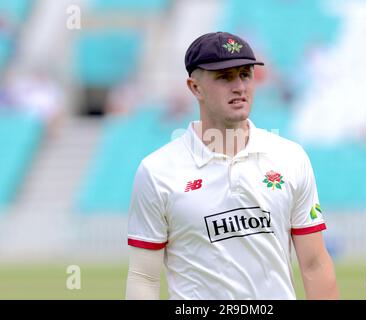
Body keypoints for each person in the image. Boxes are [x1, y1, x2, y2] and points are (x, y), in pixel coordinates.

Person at [126, 31, 339, 300]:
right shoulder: (157, 171)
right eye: (224, 77)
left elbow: (315, 264)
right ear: (195, 87)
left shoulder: (290, 158)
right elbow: (143, 277)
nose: (239, 86)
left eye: (245, 74)